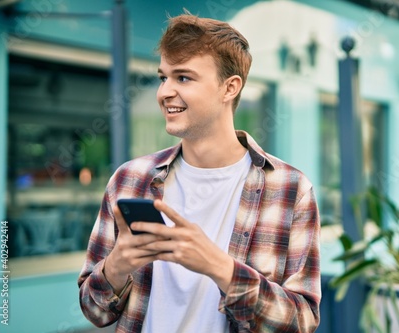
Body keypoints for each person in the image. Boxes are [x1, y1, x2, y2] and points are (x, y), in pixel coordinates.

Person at [78, 13, 321, 333]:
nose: (164, 92)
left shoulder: (290, 189)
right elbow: (94, 311)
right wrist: (118, 265)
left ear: (229, 87)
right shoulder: (129, 180)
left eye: (183, 78)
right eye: (163, 77)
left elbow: (301, 321)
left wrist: (219, 267)